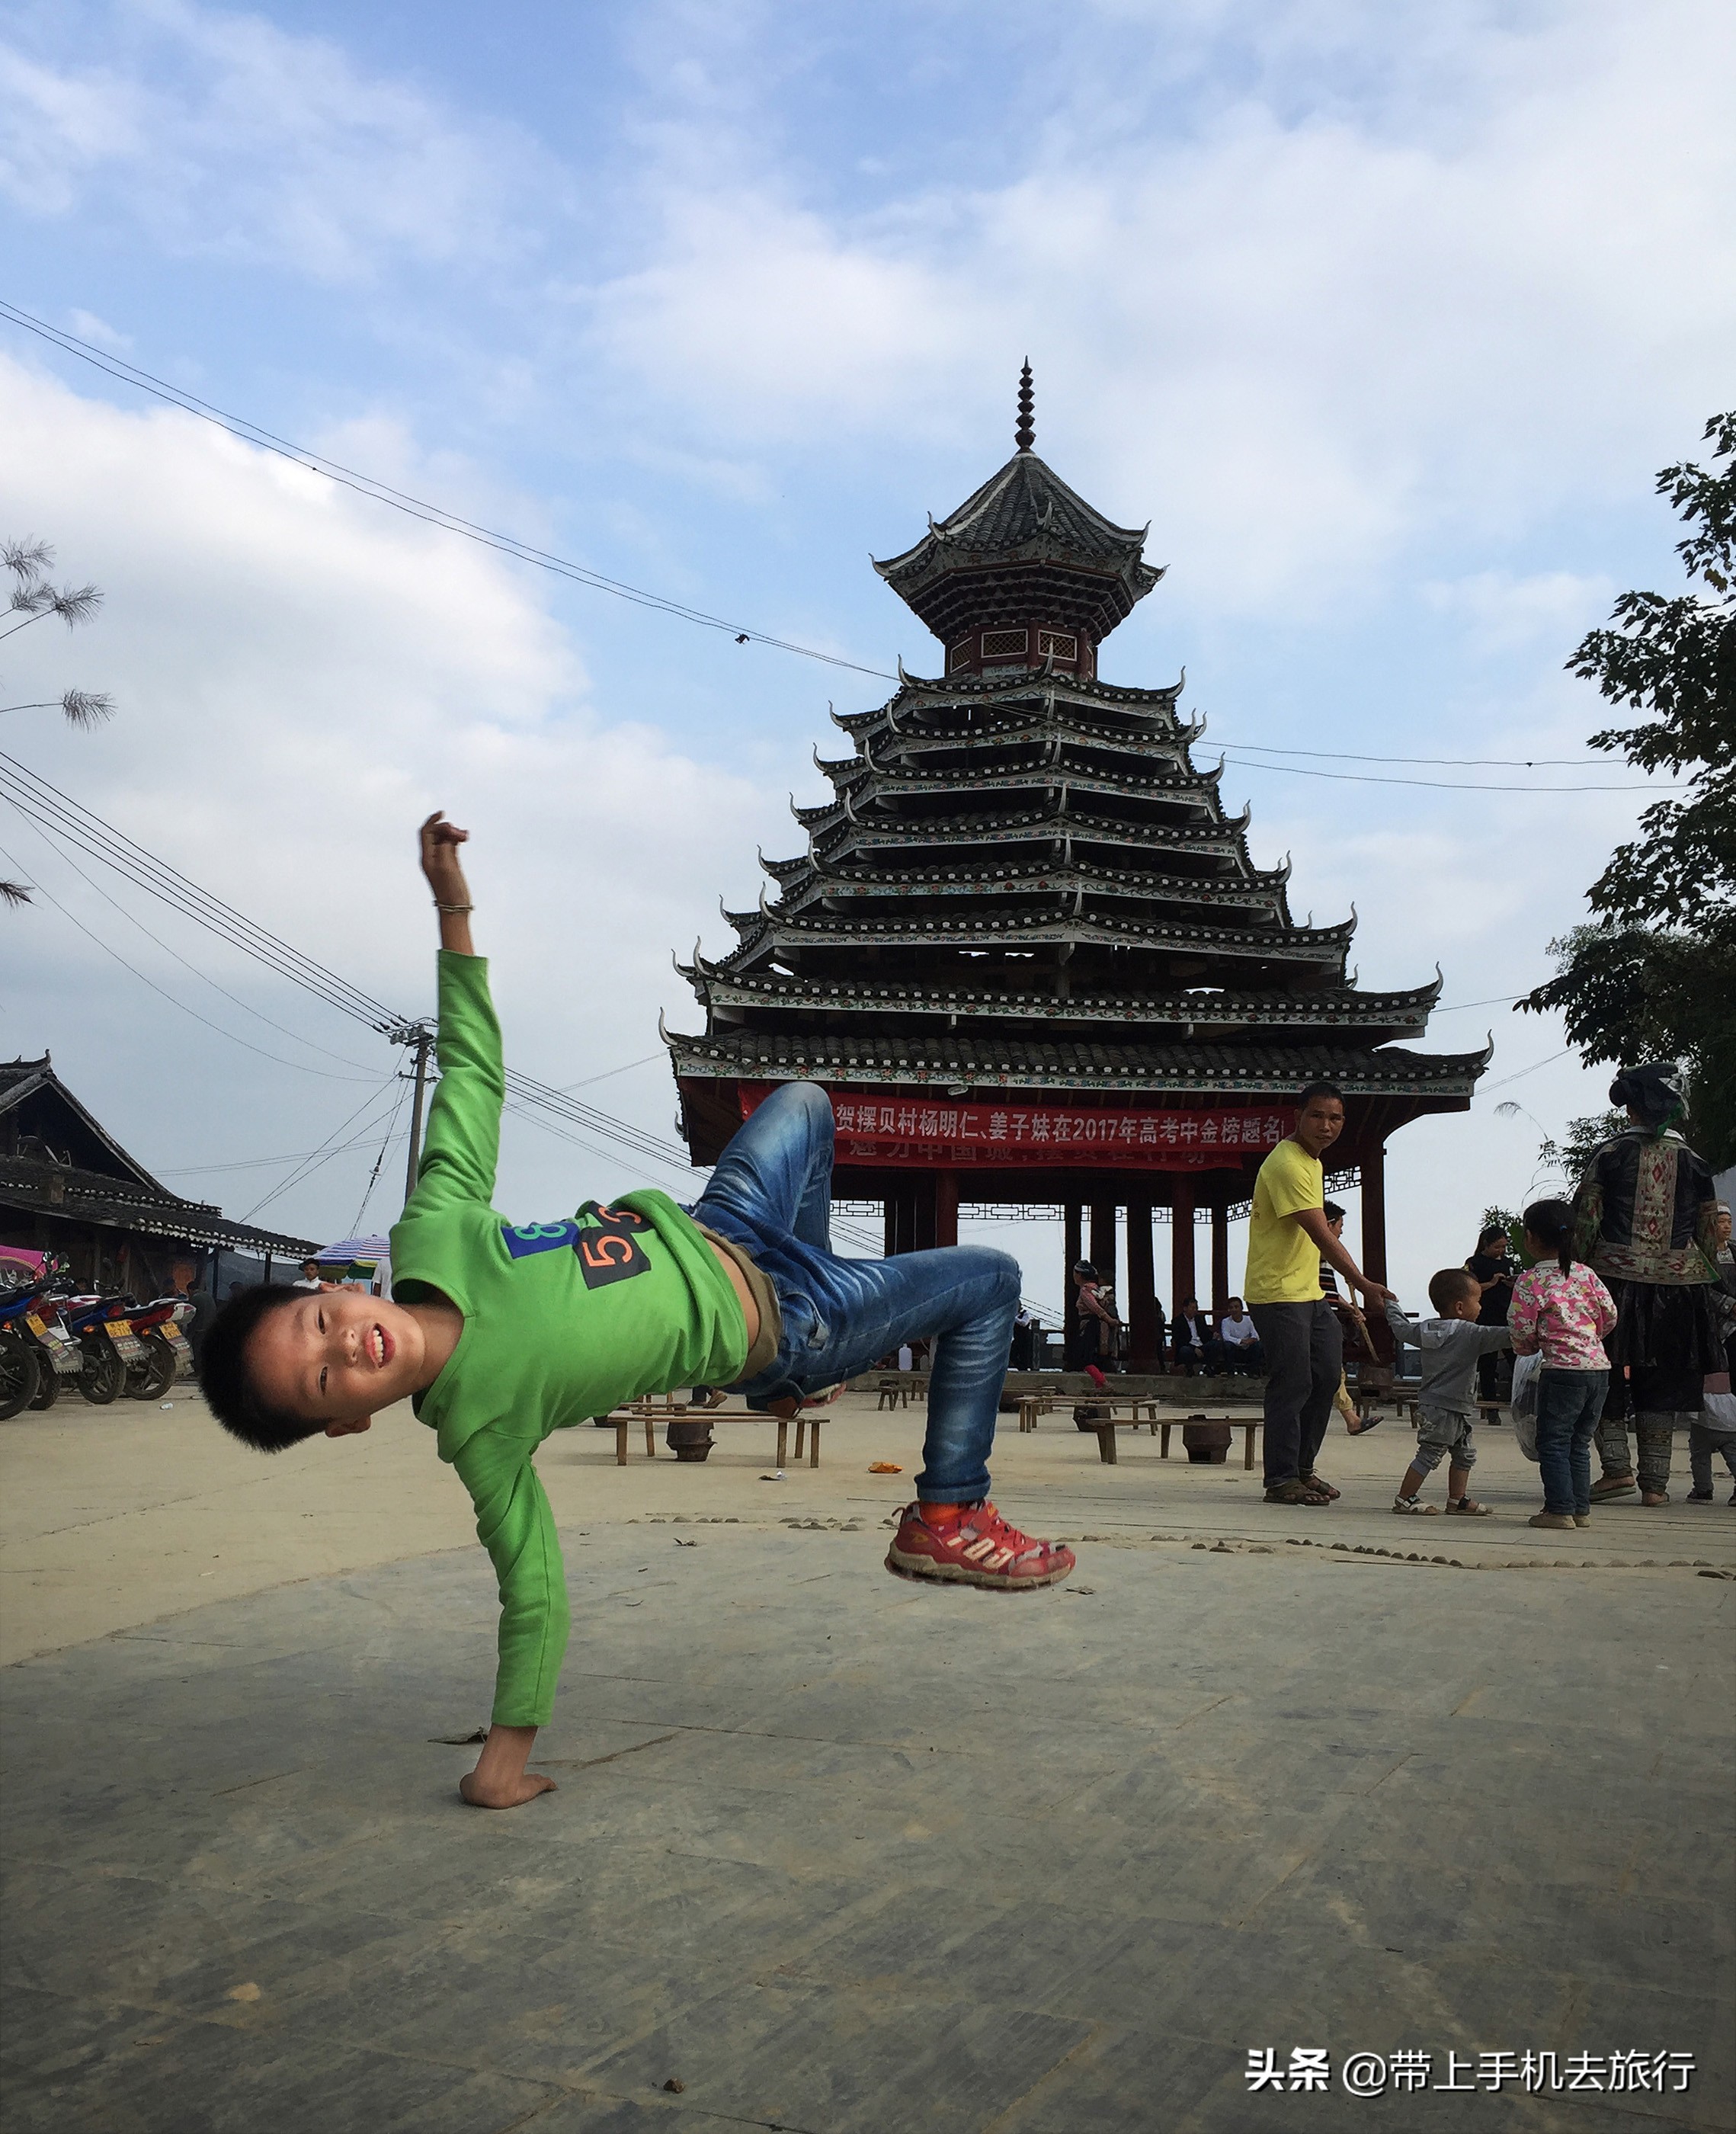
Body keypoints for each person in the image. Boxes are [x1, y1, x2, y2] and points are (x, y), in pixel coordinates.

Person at [197, 812, 1075, 1812]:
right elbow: (531, 1587)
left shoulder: (434, 1229)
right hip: (790, 1318)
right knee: (994, 1281)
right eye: (325, 1382)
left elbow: (472, 1076)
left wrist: (453, 911)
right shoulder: (484, 1433)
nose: (345, 1348)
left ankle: (811, 1378)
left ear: (337, 1291)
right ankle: (947, 1512)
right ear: (349, 1418)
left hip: (724, 1224)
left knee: (803, 1102)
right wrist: (502, 1759)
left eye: (321, 1326)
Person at [1576, 1063, 1722, 1507]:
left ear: (1632, 1105)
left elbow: (1585, 1223)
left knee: (1598, 1374)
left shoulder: (1610, 1155)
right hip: (1679, 1289)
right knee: (1662, 1380)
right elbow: (1710, 1237)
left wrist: (1575, 1273)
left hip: (1612, 1285)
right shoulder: (1696, 1163)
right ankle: (1656, 1486)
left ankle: (1616, 1471)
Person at [1244, 1082, 1391, 1506]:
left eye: (1336, 1118)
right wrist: (1362, 1283)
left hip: (1309, 1292)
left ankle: (1303, 1470)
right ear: (1297, 1117)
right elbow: (1320, 1232)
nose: (1327, 1126)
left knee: (1326, 1377)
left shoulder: (1312, 1162)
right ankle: (1281, 1479)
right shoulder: (1288, 1163)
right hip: (1276, 1292)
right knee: (1292, 1382)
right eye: (1318, 1116)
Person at [1510, 1197, 1617, 1530]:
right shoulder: (1586, 1274)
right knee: (1579, 1441)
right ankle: (1580, 1508)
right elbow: (1610, 1315)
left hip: (1561, 1371)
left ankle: (1558, 1509)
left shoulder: (1530, 1282)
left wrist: (1530, 1348)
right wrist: (1589, 1339)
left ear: (1530, 1238)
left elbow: (1521, 1329)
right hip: (1598, 1368)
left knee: (1553, 1441)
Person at [1384, 1270, 1510, 1516]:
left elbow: (1400, 1328)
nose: (1481, 1307)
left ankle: (1457, 1500)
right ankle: (1404, 1498)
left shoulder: (1425, 1329)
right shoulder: (1472, 1334)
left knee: (1464, 1453)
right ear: (1461, 1307)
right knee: (1430, 1454)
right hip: (1449, 1408)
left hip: (1439, 1405)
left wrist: (1391, 1304)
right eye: (1478, 1300)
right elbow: (1506, 1336)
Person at [1688, 1202, 1736, 1503]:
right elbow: (1700, 1290)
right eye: (1721, 1221)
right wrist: (1730, 1307)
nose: (1726, 1226)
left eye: (1729, 1221)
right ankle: (1703, 1487)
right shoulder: (1698, 1256)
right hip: (1709, 1332)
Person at [1465, 1223, 1516, 1403]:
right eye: (1497, 1247)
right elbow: (1467, 1289)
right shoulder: (1474, 1263)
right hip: (1486, 1316)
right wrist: (1491, 1283)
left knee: (1515, 1359)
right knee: (1488, 1363)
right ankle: (1490, 1406)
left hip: (1506, 1315)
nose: (1500, 1250)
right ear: (1486, 1245)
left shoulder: (1508, 1262)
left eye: (1503, 1247)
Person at [1071, 1260, 1118, 1389]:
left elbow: (1095, 1308)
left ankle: (1103, 1382)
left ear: (1079, 1275)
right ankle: (1099, 1385)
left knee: (1084, 1357)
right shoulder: (1097, 1288)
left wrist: (1109, 1319)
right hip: (1098, 1325)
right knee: (1096, 1357)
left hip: (1091, 1325)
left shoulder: (1086, 1289)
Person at [170, 1258, 216, 1376]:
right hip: (211, 1328)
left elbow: (190, 1316)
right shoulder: (208, 1296)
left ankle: (197, 1371)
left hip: (200, 1330)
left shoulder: (195, 1299)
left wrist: (189, 1332)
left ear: (190, 1289)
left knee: (196, 1350)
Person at [1171, 1296, 1222, 1375]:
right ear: (1185, 1308)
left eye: (1196, 1308)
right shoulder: (1178, 1321)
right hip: (1189, 1347)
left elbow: (1206, 1334)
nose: (1195, 1310)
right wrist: (1194, 1348)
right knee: (1185, 1350)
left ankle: (1209, 1367)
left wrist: (1213, 1336)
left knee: (1216, 1344)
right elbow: (1179, 1340)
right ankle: (1189, 1368)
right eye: (1192, 1308)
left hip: (1201, 1345)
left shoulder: (1199, 1319)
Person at [1217, 1296, 1263, 1374]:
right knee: (1227, 1345)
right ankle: (1230, 1371)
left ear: (1241, 1308)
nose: (1234, 1310)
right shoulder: (1226, 1322)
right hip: (1234, 1350)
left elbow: (1255, 1334)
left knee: (1258, 1345)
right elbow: (1226, 1337)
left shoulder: (1249, 1320)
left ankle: (1253, 1371)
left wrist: (1251, 1340)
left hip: (1248, 1349)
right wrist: (1241, 1341)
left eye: (1236, 1307)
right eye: (1231, 1308)